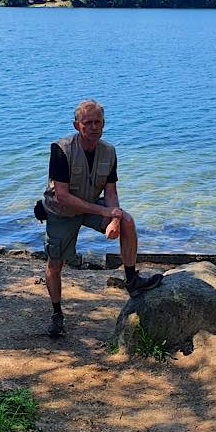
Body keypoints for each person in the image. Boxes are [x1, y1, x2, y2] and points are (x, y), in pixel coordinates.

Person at [41, 100, 163, 337]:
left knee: (128, 222)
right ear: (77, 125)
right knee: (55, 265)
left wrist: (115, 218)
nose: (93, 127)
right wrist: (105, 212)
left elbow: (111, 194)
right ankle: (57, 314)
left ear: (104, 124)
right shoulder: (60, 150)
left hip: (91, 207)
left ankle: (132, 280)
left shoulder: (109, 151)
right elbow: (63, 197)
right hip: (61, 211)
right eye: (88, 122)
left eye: (98, 122)